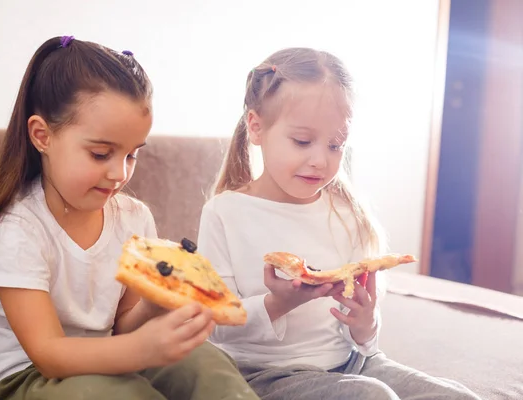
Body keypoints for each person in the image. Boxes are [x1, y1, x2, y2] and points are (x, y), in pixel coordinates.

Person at [0, 35, 259, 400]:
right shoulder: (18, 232)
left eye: (131, 155)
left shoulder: (132, 218)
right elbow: (49, 355)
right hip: (23, 379)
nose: (120, 174)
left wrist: (152, 306)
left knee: (205, 362)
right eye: (100, 154)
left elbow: (122, 326)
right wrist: (141, 349)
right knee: (111, 393)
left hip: (108, 362)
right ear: (42, 136)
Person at [197, 47, 480, 400]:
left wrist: (365, 323)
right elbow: (215, 324)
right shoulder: (225, 213)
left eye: (335, 145)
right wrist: (278, 303)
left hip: (351, 364)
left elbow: (363, 339)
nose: (320, 160)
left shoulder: (348, 216)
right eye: (302, 141)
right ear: (256, 127)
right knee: (372, 396)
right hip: (265, 374)